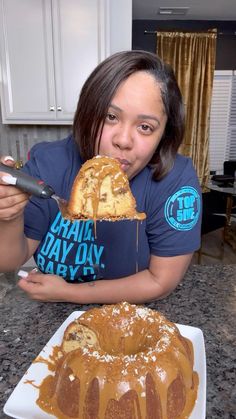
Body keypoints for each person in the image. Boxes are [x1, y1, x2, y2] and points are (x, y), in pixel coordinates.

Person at [0, 50, 201, 304]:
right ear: (87, 113)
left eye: (145, 127)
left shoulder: (175, 180)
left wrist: (67, 293)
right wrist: (8, 215)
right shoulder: (48, 163)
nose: (123, 140)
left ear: (164, 135)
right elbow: (9, 260)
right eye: (110, 117)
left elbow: (161, 281)